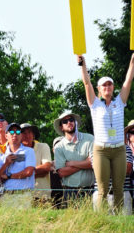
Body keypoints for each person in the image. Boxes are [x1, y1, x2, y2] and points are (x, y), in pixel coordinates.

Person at [78, 54, 134, 212]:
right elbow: (86, 82)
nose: (107, 88)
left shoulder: (120, 101)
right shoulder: (94, 103)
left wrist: (132, 61)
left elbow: (128, 80)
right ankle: (101, 221)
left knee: (119, 189)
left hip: (119, 150)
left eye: (110, 85)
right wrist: (83, 64)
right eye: (104, 86)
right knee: (102, 189)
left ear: (113, 88)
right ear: (99, 90)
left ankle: (117, 223)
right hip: (101, 150)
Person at [93, 120, 134, 215]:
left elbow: (127, 170)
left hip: (123, 193)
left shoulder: (125, 148)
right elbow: (95, 169)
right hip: (101, 194)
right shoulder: (96, 147)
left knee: (123, 227)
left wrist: (105, 166)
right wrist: (116, 166)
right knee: (100, 226)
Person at [53, 112, 94, 206]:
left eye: (71, 119)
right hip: (69, 191)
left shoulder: (90, 138)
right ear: (61, 127)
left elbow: (94, 163)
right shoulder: (59, 147)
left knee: (93, 220)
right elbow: (62, 172)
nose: (69, 122)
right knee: (71, 220)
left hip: (90, 189)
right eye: (65, 121)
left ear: (75, 122)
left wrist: (72, 163)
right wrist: (85, 163)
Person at [0, 123, 36, 208]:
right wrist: (6, 164)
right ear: (6, 135)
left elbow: (29, 172)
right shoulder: (3, 156)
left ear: (21, 135)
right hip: (6, 195)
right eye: (11, 132)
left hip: (24, 195)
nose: (15, 134)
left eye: (18, 132)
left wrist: (9, 176)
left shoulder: (29, 151)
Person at [21, 123, 52, 202]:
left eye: (30, 132)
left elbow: (47, 167)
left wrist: (24, 174)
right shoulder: (16, 150)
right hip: (22, 196)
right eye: (24, 133)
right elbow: (15, 173)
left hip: (42, 195)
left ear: (34, 135)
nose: (27, 135)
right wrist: (39, 172)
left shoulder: (43, 146)